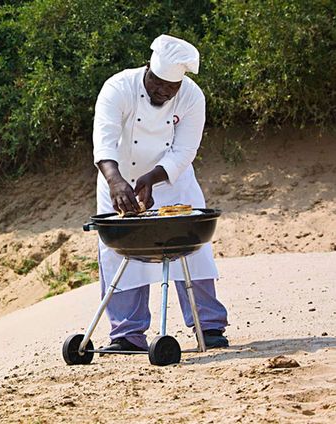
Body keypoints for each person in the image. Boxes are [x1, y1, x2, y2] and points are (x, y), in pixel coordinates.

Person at [91, 34, 229, 351]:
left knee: (193, 251)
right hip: (117, 178)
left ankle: (208, 326)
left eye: (171, 86)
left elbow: (184, 150)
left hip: (172, 181)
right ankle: (127, 334)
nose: (163, 91)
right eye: (157, 82)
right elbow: (105, 139)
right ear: (147, 70)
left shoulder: (192, 97)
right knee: (120, 254)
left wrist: (151, 179)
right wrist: (115, 180)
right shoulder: (118, 87)